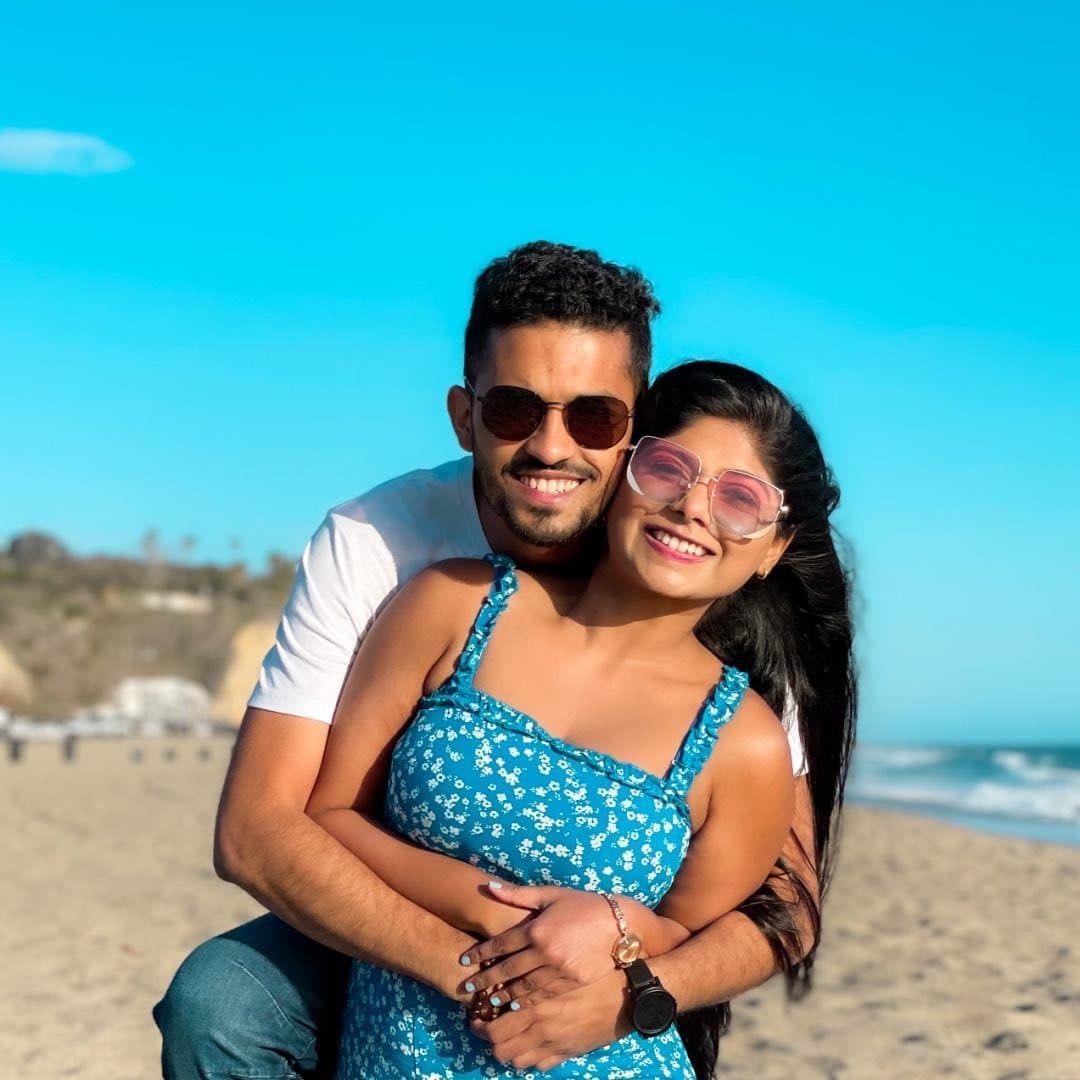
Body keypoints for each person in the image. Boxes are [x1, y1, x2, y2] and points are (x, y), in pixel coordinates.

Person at [154, 244, 830, 1078]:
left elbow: (780, 907)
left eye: (592, 417)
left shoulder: (723, 638)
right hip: (400, 943)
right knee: (224, 996)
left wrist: (627, 983)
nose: (552, 447)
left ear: (630, 432)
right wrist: (490, 970)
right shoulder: (393, 552)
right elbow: (262, 830)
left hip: (599, 1006)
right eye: (514, 408)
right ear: (464, 414)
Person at [306, 357, 856, 1078]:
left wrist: (620, 929)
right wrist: (497, 917)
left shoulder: (742, 741)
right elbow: (330, 814)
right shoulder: (453, 606)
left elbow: (692, 931)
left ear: (772, 549)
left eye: (740, 500)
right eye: (668, 469)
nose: (693, 508)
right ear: (622, 472)